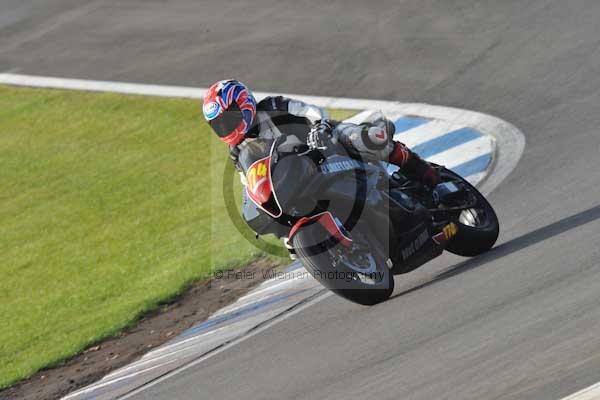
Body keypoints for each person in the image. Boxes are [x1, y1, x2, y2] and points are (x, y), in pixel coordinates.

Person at [202, 79, 440, 186]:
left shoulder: (272, 106)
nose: (227, 127)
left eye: (229, 117)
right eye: (220, 124)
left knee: (367, 139)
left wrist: (321, 126)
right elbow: (250, 182)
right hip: (302, 174)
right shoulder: (237, 152)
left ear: (242, 103)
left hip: (327, 143)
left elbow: (310, 110)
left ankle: (422, 170)